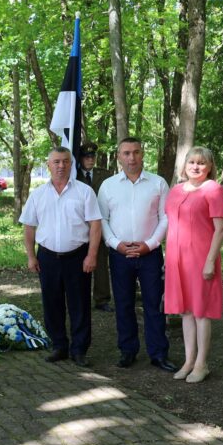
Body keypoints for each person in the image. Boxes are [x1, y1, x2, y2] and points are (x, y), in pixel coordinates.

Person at [97, 137, 178, 373]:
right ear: (118, 157)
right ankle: (128, 350)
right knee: (123, 304)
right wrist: (115, 243)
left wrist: (150, 244)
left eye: (136, 152)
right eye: (126, 153)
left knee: (155, 304)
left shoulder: (158, 183)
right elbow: (102, 219)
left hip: (150, 253)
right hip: (119, 253)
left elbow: (166, 218)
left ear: (143, 154)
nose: (131, 158)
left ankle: (158, 353)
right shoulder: (108, 186)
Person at [20, 147, 102, 367]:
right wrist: (30, 256)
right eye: (56, 162)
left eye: (65, 161)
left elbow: (95, 225)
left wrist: (92, 255)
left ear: (71, 164)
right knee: (52, 303)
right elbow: (29, 227)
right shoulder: (38, 194)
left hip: (78, 257)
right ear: (48, 165)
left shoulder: (84, 192)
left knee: (80, 304)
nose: (61, 166)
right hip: (47, 257)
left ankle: (79, 350)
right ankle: (59, 346)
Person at [165, 147, 223, 383]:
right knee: (185, 311)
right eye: (191, 162)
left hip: (201, 258)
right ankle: (189, 360)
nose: (195, 166)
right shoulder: (176, 190)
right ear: (184, 166)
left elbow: (220, 228)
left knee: (201, 311)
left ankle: (202, 364)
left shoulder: (214, 190)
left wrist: (210, 261)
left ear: (210, 166)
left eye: (201, 163)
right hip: (177, 259)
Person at [76, 143, 115, 312]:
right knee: (78, 263)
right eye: (87, 157)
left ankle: (102, 299)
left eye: (92, 157)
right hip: (79, 225)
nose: (90, 160)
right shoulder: (74, 175)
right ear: (80, 158)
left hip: (99, 224)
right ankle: (79, 297)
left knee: (100, 263)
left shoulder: (105, 175)